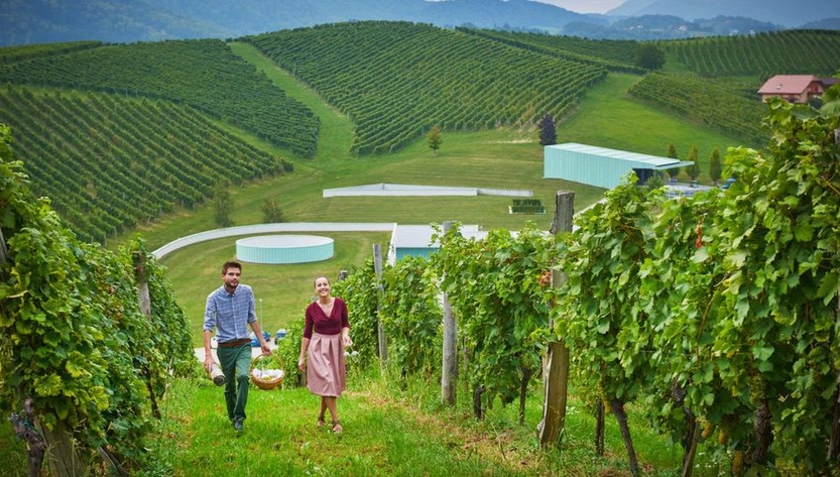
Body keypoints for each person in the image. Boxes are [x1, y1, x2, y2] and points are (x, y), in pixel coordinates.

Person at [203, 260, 270, 432]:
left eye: (237, 274)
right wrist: (208, 354)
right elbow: (207, 326)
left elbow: (252, 318)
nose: (235, 277)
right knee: (230, 386)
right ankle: (232, 417)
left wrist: (263, 342)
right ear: (223, 276)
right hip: (225, 348)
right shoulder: (213, 298)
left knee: (242, 377)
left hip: (243, 345)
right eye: (231, 274)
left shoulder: (247, 292)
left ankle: (239, 418)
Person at [298, 275, 352, 433]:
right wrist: (302, 356)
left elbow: (346, 324)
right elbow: (307, 333)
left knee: (330, 384)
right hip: (318, 347)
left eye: (325, 284)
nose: (322, 287)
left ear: (330, 286)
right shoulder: (311, 309)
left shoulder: (340, 303)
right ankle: (336, 422)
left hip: (335, 346)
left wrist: (345, 335)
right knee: (328, 381)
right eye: (319, 285)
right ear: (315, 289)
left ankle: (321, 416)